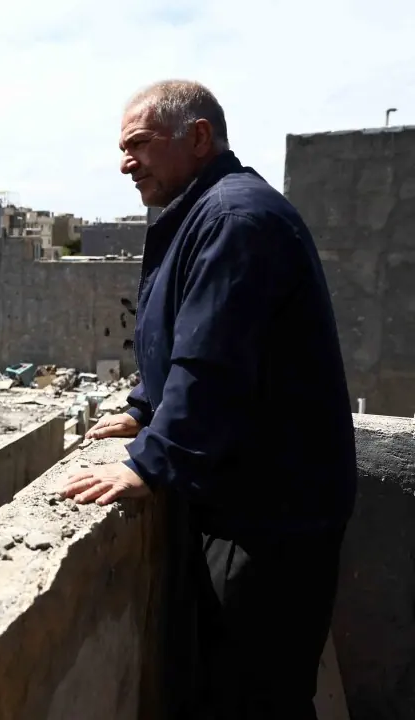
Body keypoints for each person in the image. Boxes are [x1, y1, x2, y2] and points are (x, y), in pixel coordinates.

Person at [60, 80, 357, 720]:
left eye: (139, 144)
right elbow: (180, 333)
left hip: (270, 518)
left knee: (255, 697)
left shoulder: (233, 220)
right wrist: (143, 410)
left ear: (198, 137)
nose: (125, 163)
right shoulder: (209, 212)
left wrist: (149, 462)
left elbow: (214, 360)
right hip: (250, 501)